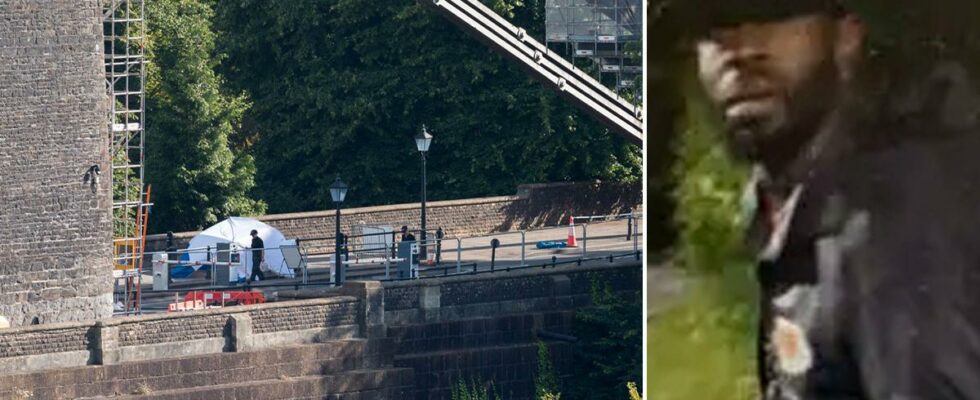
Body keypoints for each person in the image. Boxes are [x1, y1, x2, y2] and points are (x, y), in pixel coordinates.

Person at [684, 0, 980, 397]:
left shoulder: (897, 226)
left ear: (845, 38)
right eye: (715, 25)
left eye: (773, 16)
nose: (740, 48)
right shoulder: (796, 198)